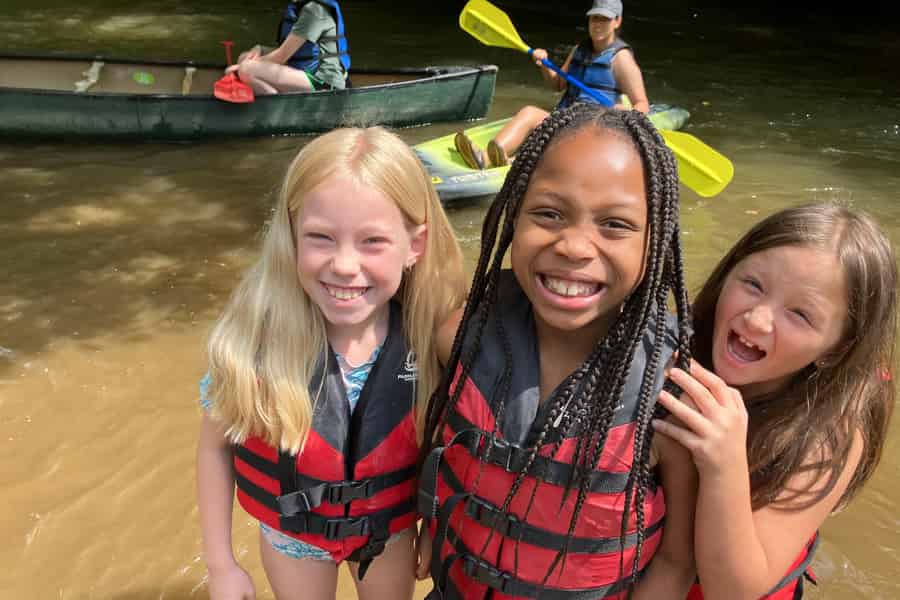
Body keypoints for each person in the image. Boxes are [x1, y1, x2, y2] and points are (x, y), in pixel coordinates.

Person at [416, 103, 697, 599]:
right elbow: (434, 448)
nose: (573, 246)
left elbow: (676, 562)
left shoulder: (674, 393)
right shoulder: (458, 336)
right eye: (548, 214)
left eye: (615, 224)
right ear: (512, 214)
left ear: (655, 243)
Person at [196, 126, 467, 600]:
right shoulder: (254, 342)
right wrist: (221, 565)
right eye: (321, 238)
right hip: (293, 539)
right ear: (291, 236)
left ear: (415, 245)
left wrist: (437, 527)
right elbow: (215, 448)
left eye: (372, 242)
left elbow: (457, 450)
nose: (344, 264)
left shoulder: (434, 339)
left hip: (390, 534)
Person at [653, 203, 897, 599]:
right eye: (752, 285)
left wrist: (725, 463)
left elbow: (733, 592)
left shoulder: (831, 431)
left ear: (836, 349)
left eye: (800, 314)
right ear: (728, 271)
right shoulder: (673, 350)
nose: (757, 319)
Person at [454, 0, 649, 170]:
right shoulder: (579, 50)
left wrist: (625, 112)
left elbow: (642, 104)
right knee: (530, 113)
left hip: (592, 128)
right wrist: (544, 65)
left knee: (532, 115)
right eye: (594, 18)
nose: (597, 24)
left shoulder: (621, 59)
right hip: (566, 118)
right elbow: (557, 85)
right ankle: (495, 158)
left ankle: (499, 160)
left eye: (604, 19)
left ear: (617, 21)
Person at [227, 0, 351, 95]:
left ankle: (279, 111)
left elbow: (281, 56)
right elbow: (295, 51)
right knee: (244, 58)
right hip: (305, 71)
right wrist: (260, 49)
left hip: (325, 83)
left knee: (246, 69)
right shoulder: (299, 5)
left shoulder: (315, 10)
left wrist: (239, 69)